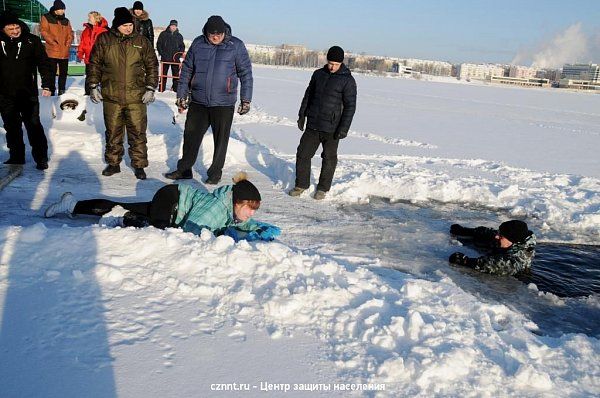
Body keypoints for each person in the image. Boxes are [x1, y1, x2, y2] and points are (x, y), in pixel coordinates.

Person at [44, 171, 280, 241]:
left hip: (174, 202)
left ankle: (72, 204)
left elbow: (247, 223)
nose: (251, 213)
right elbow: (192, 231)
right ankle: (123, 219)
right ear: (238, 202)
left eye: (254, 210)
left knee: (120, 204)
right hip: (171, 199)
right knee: (158, 233)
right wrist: (217, 238)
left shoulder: (234, 210)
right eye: (250, 208)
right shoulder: (216, 209)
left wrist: (259, 228)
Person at [165, 15, 253, 185]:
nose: (215, 37)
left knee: (221, 140)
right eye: (212, 34)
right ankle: (184, 169)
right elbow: (187, 70)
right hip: (198, 100)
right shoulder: (198, 43)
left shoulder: (236, 45)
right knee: (190, 136)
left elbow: (246, 74)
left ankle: (215, 172)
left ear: (224, 32)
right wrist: (181, 94)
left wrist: (246, 100)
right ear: (206, 32)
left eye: (218, 34)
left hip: (224, 103)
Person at [87, 7, 158, 180]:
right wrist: (93, 85)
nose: (129, 28)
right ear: (117, 25)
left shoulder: (141, 41)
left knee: (138, 133)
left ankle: (139, 165)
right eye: (125, 25)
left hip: (136, 96)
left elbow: (152, 65)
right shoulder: (104, 39)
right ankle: (113, 164)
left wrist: (150, 87)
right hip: (111, 95)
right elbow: (95, 63)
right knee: (113, 132)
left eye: (130, 24)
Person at [289, 46, 357, 200]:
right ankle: (301, 184)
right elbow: (308, 95)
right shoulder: (318, 74)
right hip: (313, 123)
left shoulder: (347, 80)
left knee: (328, 158)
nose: (332, 67)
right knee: (303, 154)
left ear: (341, 63)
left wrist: (344, 128)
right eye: (330, 63)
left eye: (336, 64)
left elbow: (350, 106)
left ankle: (323, 188)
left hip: (332, 128)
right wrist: (302, 115)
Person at [0, 12, 52, 170]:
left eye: (17, 27)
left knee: (34, 125)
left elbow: (44, 64)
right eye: (11, 28)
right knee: (11, 126)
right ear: (2, 29)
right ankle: (16, 157)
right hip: (4, 94)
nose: (15, 31)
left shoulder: (32, 41)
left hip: (27, 93)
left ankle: (41, 158)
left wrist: (47, 84)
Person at [448, 220, 537, 276]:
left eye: (501, 236)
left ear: (513, 241)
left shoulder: (519, 258)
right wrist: (466, 231)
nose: (497, 236)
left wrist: (465, 261)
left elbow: (498, 265)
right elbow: (491, 233)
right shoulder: (512, 239)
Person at [40, 0, 73, 96]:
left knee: (63, 73)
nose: (63, 11)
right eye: (61, 9)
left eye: (63, 9)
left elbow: (70, 34)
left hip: (64, 52)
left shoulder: (66, 21)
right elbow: (44, 31)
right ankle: (51, 90)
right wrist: (52, 42)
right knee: (51, 72)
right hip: (52, 51)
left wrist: (68, 44)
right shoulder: (46, 18)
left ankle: (62, 90)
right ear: (56, 9)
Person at [76, 11, 108, 95]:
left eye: (90, 17)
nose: (88, 19)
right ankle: (87, 94)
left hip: (100, 59)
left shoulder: (104, 31)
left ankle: (102, 94)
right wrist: (80, 53)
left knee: (100, 76)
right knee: (89, 77)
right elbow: (82, 43)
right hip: (88, 58)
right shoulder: (86, 31)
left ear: (96, 18)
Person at [156, 19, 185, 92]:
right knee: (163, 75)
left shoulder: (179, 36)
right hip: (165, 58)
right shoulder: (163, 34)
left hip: (175, 59)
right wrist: (162, 53)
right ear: (170, 26)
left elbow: (182, 46)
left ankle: (175, 90)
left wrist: (178, 55)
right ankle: (161, 90)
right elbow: (159, 44)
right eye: (172, 25)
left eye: (175, 26)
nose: (173, 27)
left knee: (176, 76)